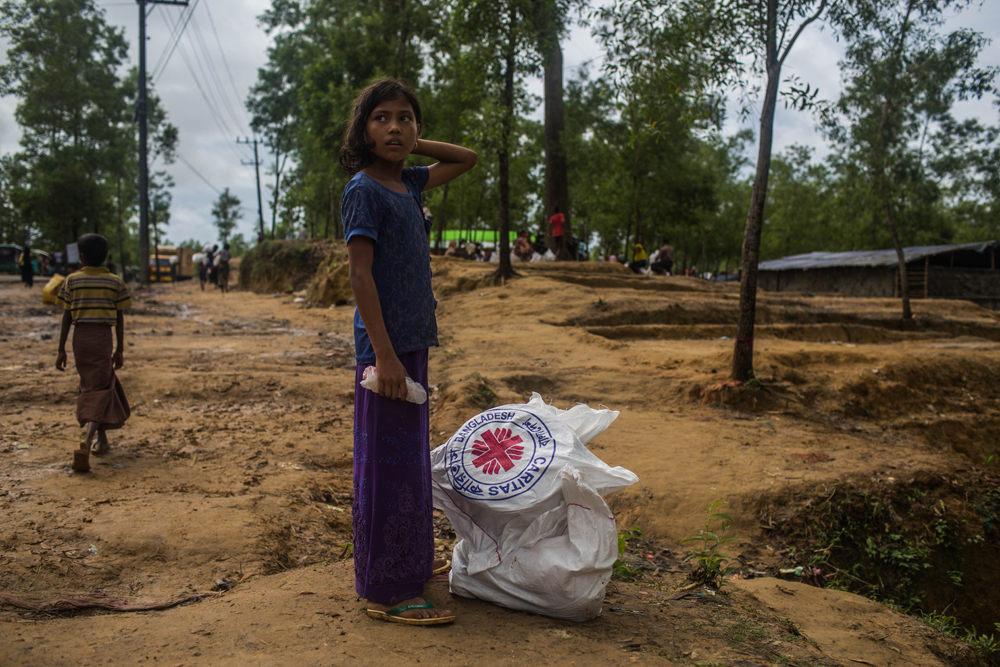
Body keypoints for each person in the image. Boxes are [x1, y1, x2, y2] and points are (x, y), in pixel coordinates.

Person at [340, 78, 477, 625]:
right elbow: (359, 274)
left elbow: (465, 158)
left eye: (405, 118)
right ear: (363, 129)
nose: (394, 127)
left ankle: (407, 565)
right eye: (381, 119)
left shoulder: (411, 184)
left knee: (409, 462)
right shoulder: (364, 190)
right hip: (386, 354)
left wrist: (413, 144)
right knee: (389, 465)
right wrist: (385, 356)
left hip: (412, 344)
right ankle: (388, 590)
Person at [55, 234, 131, 473]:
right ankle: (87, 441)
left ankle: (103, 440)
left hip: (80, 340)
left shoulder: (71, 281)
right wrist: (120, 348)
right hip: (102, 339)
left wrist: (61, 350)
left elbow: (66, 317)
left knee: (91, 384)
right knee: (100, 388)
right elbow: (119, 318)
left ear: (83, 257)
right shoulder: (115, 282)